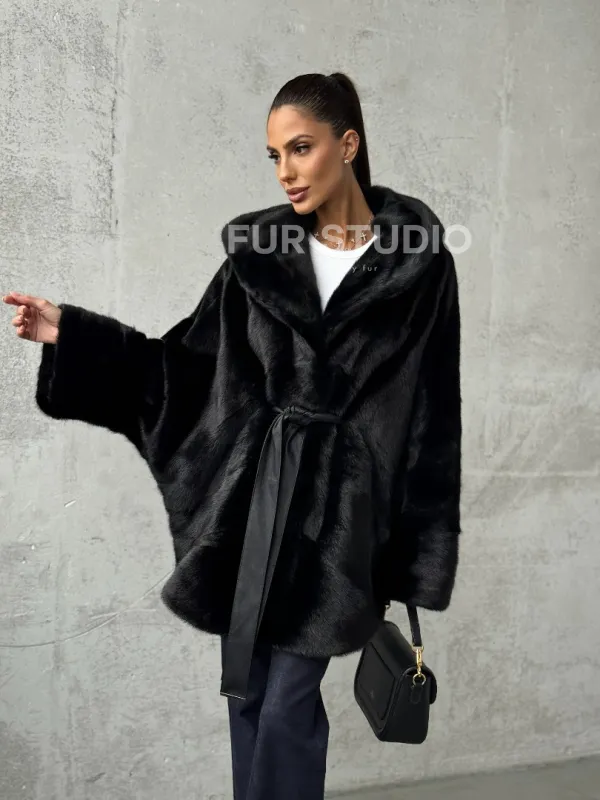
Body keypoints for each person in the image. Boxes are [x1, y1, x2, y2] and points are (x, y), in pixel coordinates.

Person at [2, 71, 462, 800]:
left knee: (285, 710)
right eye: (275, 155)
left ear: (348, 145)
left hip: (344, 525)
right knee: (247, 696)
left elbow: (435, 415)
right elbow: (184, 368)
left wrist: (415, 556)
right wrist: (76, 337)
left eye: (301, 148)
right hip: (255, 508)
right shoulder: (257, 258)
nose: (286, 171)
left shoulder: (420, 265)